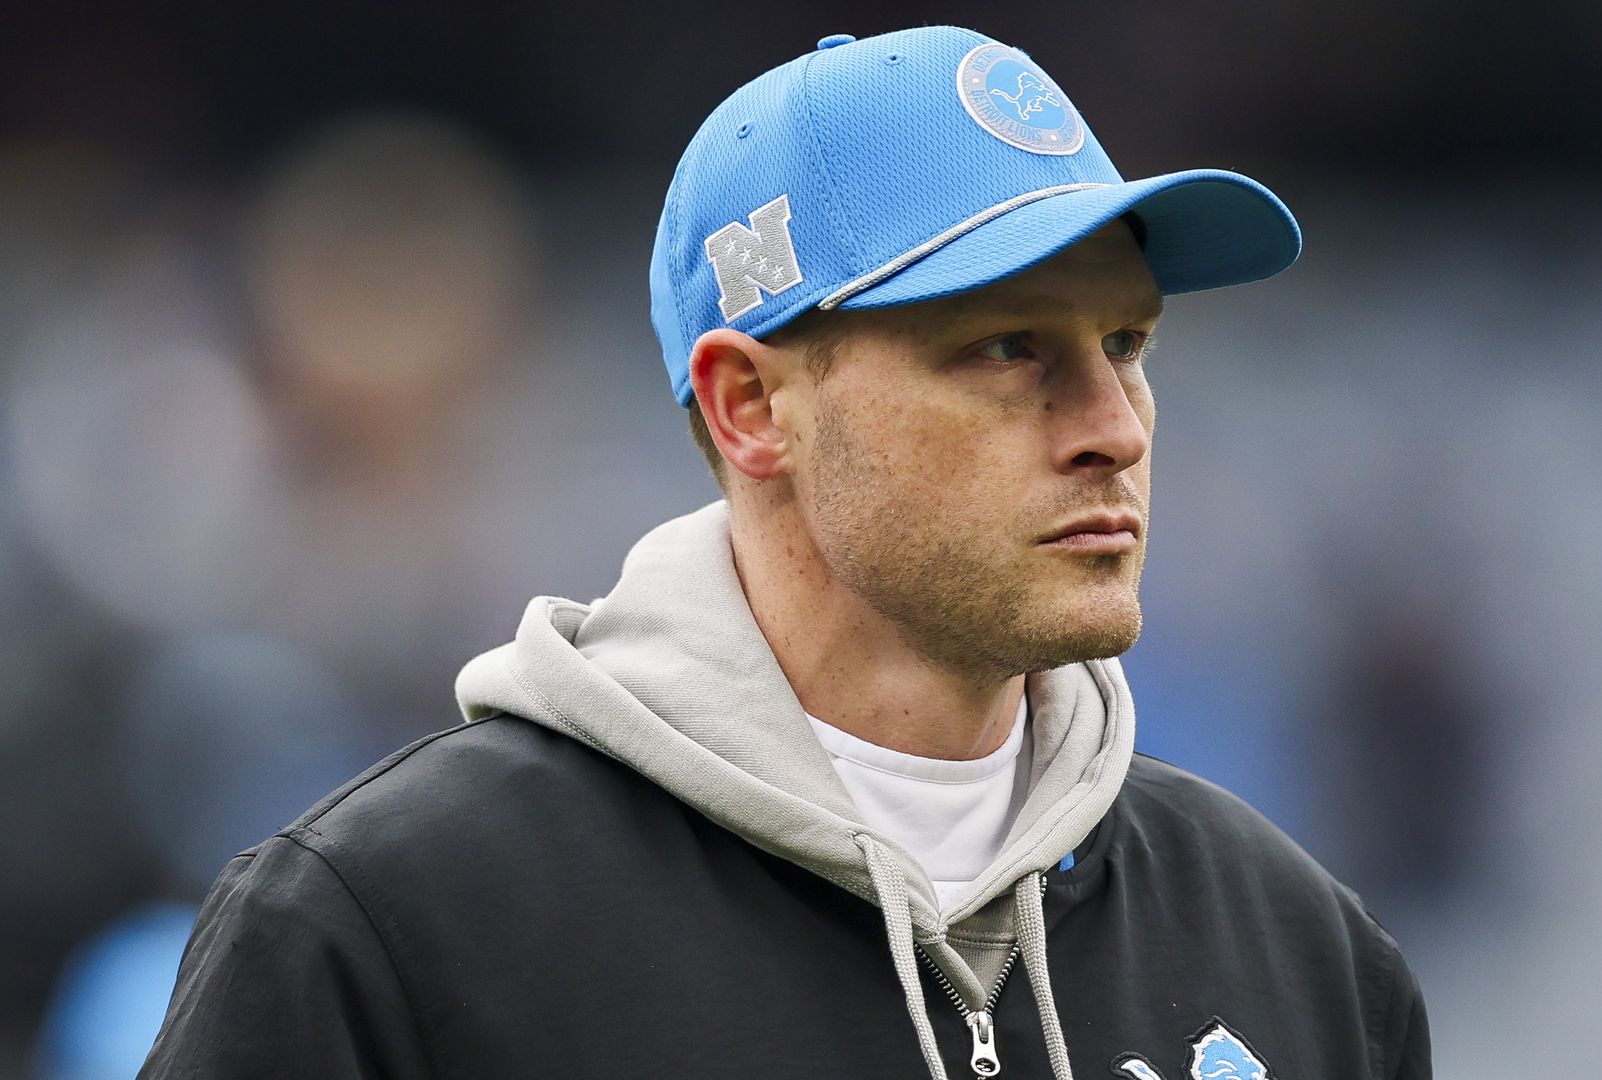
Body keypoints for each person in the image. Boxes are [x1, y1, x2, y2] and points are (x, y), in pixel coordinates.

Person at [141, 25, 1430, 1080]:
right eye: (1007, 348)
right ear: (752, 408)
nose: (1115, 427)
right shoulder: (392, 932)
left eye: (1127, 345)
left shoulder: (1301, 951)